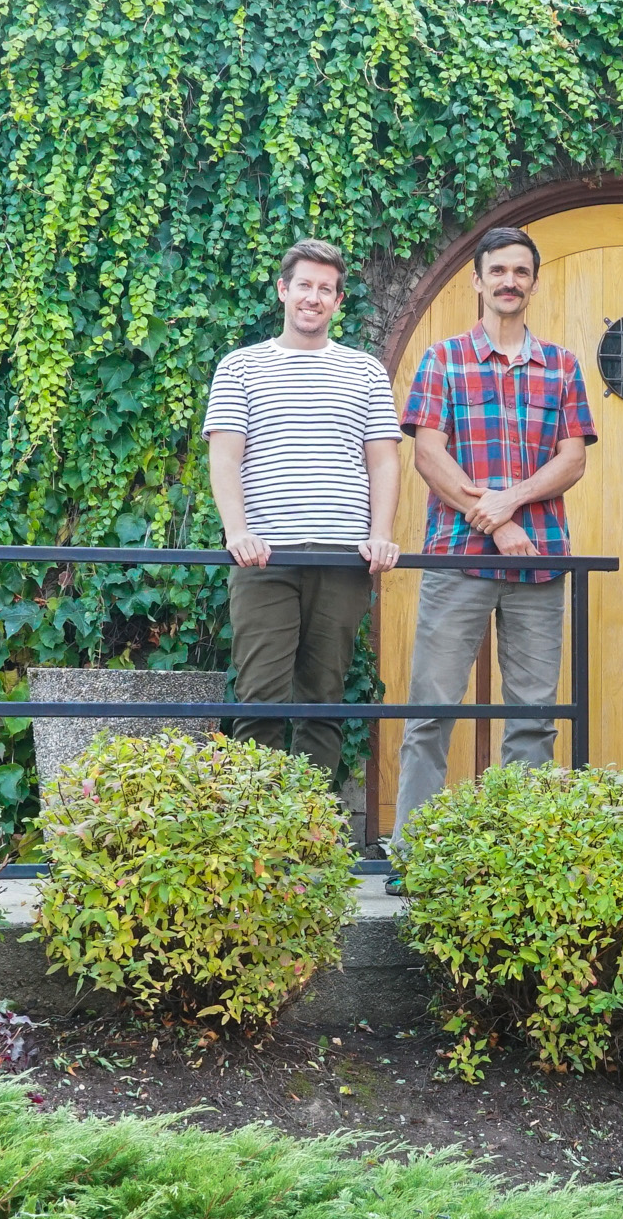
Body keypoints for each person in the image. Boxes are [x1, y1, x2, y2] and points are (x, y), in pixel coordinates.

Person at [394, 226, 597, 848]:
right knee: (430, 710)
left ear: (533, 283)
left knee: (534, 716)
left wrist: (512, 503)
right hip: (458, 558)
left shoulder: (560, 364)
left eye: (521, 272)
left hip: (538, 563)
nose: (510, 281)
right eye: (498, 271)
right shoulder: (443, 358)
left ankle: (518, 850)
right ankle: (413, 850)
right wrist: (500, 520)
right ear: (477, 281)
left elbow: (572, 460)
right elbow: (429, 455)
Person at [204, 238, 402, 779]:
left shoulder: (365, 372)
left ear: (339, 301)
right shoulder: (240, 367)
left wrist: (380, 534)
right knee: (260, 699)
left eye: (326, 289)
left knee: (324, 703)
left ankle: (312, 833)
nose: (313, 298)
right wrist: (237, 531)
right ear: (283, 291)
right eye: (304, 286)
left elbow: (383, 462)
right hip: (263, 557)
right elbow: (225, 457)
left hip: (342, 557)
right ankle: (258, 831)